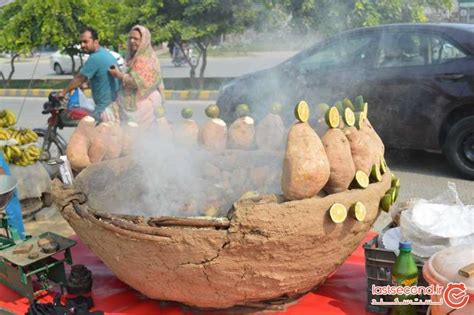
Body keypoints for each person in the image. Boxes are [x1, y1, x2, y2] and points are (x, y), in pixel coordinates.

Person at [59, 26, 120, 122]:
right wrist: (87, 84)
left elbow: (79, 78)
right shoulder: (104, 53)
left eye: (85, 42)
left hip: (104, 110)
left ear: (96, 41)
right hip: (113, 107)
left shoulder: (95, 58)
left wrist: (63, 92)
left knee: (80, 135)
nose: (82, 45)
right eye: (80, 42)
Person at [108, 25, 165, 127]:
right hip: (138, 101)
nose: (132, 41)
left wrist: (118, 75)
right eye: (130, 38)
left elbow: (137, 82)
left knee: (135, 135)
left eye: (136, 39)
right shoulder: (136, 56)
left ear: (144, 40)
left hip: (143, 103)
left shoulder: (144, 59)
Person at [0, 154, 25, 240]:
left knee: (12, 215)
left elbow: (1, 172)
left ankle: (20, 242)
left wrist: (3, 192)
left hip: (4, 191)